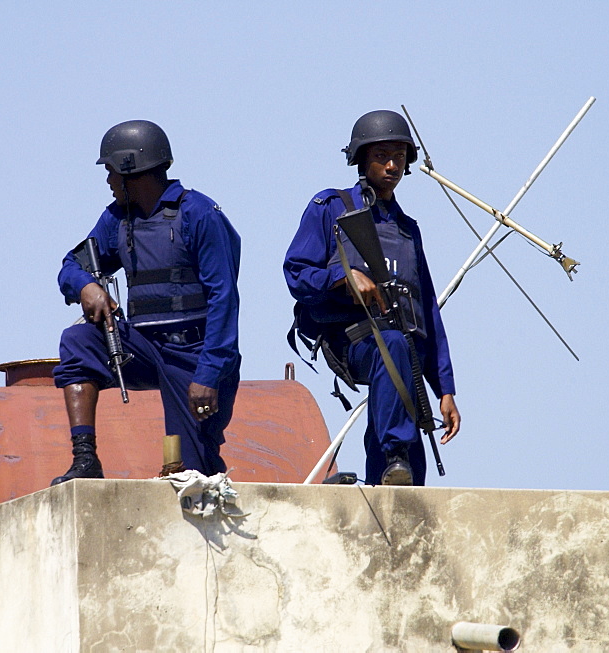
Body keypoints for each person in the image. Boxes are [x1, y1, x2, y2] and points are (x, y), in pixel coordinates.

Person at [51, 120, 241, 485]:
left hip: (195, 354)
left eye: (109, 171)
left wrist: (208, 375)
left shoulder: (200, 214)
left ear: (128, 170)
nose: (107, 182)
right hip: (142, 347)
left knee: (192, 472)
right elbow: (70, 266)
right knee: (77, 341)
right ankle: (85, 458)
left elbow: (224, 300)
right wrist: (86, 287)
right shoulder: (115, 220)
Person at [283, 110, 460, 486]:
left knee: (410, 471)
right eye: (382, 155)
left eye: (399, 156)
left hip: (401, 348)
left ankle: (394, 474)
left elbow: (426, 308)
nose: (392, 165)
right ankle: (393, 454)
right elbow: (296, 272)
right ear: (362, 159)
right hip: (352, 339)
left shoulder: (407, 230)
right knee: (392, 350)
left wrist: (444, 387)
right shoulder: (332, 208)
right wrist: (342, 277)